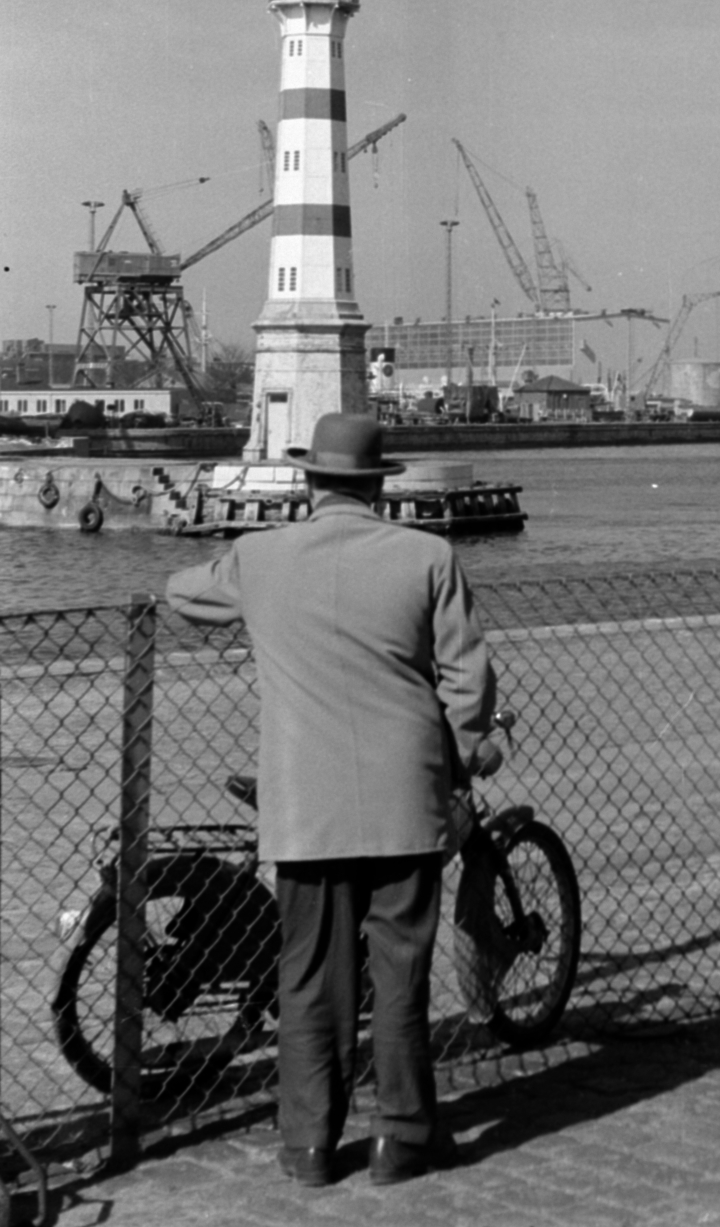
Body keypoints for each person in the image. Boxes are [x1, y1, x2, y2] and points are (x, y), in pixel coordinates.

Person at [166, 413, 497, 1188]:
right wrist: (475, 748)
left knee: (308, 975)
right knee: (399, 972)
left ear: (309, 483)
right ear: (379, 485)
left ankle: (309, 1146)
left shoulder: (261, 557)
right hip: (405, 798)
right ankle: (402, 1138)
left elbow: (184, 591)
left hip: (304, 807)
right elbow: (465, 677)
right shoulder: (428, 557)